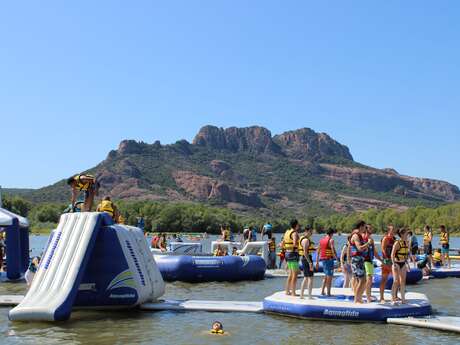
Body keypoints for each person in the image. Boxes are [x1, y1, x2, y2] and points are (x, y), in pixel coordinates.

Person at [349, 221, 370, 303]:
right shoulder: (355, 235)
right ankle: (357, 299)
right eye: (365, 227)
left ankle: (358, 299)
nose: (366, 229)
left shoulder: (358, 235)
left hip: (359, 260)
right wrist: (368, 243)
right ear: (361, 226)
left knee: (362, 280)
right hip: (357, 260)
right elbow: (359, 248)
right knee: (362, 280)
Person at [363, 224, 382, 303]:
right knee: (368, 279)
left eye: (371, 228)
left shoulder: (371, 239)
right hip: (364, 261)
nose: (371, 230)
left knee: (369, 280)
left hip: (370, 261)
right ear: (366, 229)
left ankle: (368, 295)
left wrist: (381, 260)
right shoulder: (363, 238)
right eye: (370, 228)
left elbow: (374, 252)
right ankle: (367, 297)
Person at [281, 219, 300, 296]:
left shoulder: (286, 232)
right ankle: (293, 292)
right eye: (298, 225)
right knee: (295, 274)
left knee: (290, 274)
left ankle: (287, 291)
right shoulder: (294, 233)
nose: (299, 226)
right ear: (296, 225)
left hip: (287, 254)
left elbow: (282, 243)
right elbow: (295, 244)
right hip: (293, 254)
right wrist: (301, 247)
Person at [316, 228, 337, 296]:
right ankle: (328, 293)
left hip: (323, 260)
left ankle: (322, 291)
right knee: (329, 277)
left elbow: (318, 251)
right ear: (331, 234)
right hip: (329, 259)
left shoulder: (321, 240)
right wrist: (337, 259)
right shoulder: (331, 240)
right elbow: (333, 250)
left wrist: (317, 261)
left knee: (326, 276)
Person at [391, 228, 410, 304]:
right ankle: (393, 299)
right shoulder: (397, 243)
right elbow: (392, 254)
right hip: (396, 263)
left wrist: (407, 265)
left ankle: (403, 299)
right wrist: (394, 263)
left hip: (403, 264)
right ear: (402, 234)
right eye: (406, 233)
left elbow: (406, 255)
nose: (407, 235)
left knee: (403, 281)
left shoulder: (407, 243)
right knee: (396, 281)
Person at [380, 225, 396, 303]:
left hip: (393, 261)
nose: (394, 231)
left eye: (394, 229)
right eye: (392, 229)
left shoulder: (394, 239)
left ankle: (395, 296)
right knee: (384, 279)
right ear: (388, 231)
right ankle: (382, 297)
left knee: (396, 279)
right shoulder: (385, 238)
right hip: (386, 261)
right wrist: (386, 259)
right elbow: (383, 249)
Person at [299, 226, 315, 299]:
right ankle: (309, 295)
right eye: (311, 231)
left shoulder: (303, 238)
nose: (311, 233)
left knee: (306, 277)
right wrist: (310, 263)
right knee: (310, 278)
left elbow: (307, 250)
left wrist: (316, 248)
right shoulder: (306, 240)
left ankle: (301, 295)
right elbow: (305, 252)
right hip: (307, 259)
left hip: (304, 259)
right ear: (307, 231)